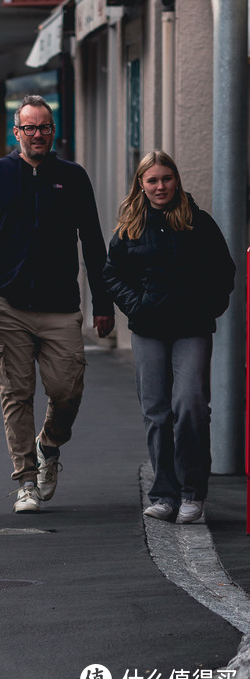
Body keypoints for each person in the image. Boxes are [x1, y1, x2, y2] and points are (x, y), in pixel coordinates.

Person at [0, 95, 115, 514]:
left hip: (60, 305)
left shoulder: (72, 176)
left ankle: (48, 444)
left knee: (67, 389)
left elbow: (92, 239)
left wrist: (103, 303)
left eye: (45, 127)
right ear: (16, 132)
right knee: (16, 395)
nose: (38, 135)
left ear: (54, 131)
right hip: (6, 305)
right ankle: (26, 481)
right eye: (30, 128)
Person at [103, 151, 234, 524]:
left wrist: (205, 308)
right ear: (141, 185)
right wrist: (137, 306)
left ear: (176, 180)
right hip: (149, 330)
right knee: (157, 413)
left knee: (191, 405)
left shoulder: (198, 223)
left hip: (192, 329)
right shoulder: (130, 228)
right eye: (152, 180)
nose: (160, 186)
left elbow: (224, 272)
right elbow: (111, 275)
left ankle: (193, 493)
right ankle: (164, 494)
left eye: (166, 178)